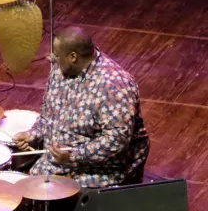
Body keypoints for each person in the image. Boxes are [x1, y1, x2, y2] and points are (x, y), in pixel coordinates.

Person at [12, 26, 149, 188]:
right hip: (58, 161)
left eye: (56, 55)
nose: (53, 59)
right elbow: (48, 114)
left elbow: (116, 140)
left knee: (41, 192)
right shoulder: (60, 72)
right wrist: (32, 134)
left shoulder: (114, 85)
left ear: (73, 57)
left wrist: (73, 156)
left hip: (100, 170)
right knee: (23, 187)